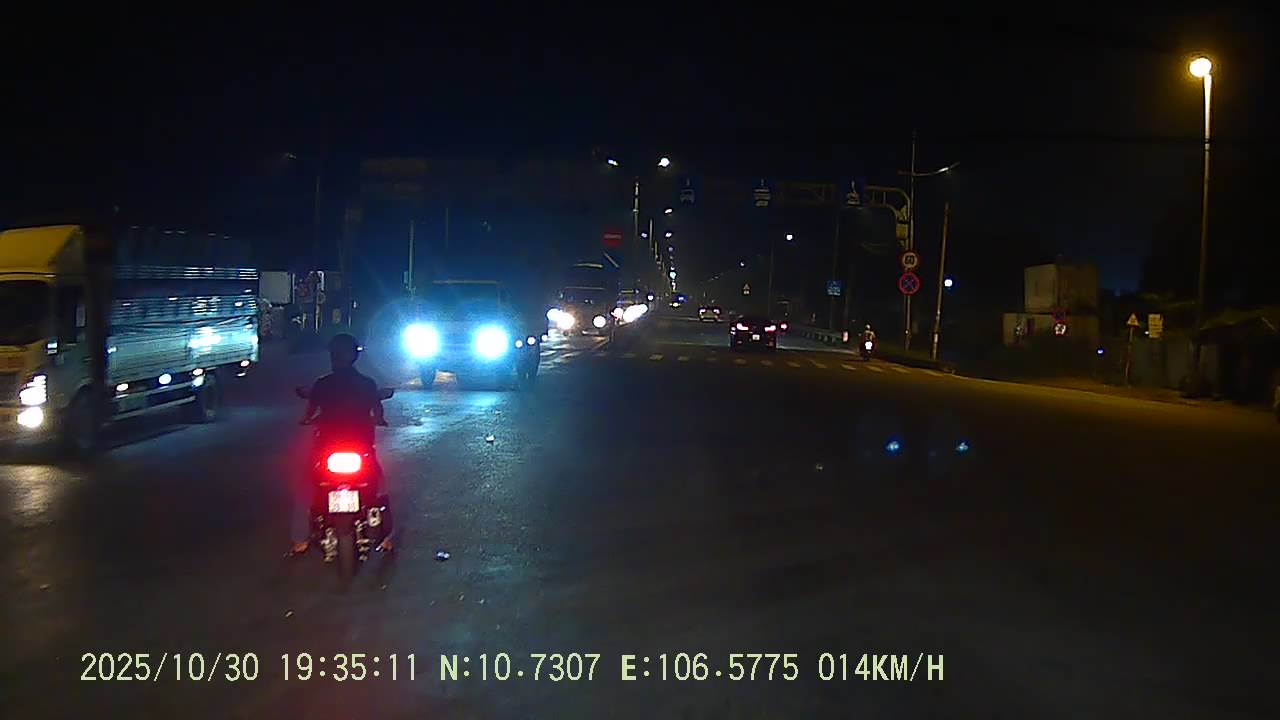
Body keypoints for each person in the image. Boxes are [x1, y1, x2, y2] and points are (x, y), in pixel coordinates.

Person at [290, 333, 391, 555]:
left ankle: (300, 539)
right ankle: (384, 535)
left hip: (327, 448)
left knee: (306, 486)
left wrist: (307, 419)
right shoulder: (367, 383)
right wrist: (379, 419)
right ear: (355, 356)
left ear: (332, 356)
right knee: (379, 483)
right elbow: (378, 410)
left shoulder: (322, 384)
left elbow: (310, 411)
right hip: (360, 447)